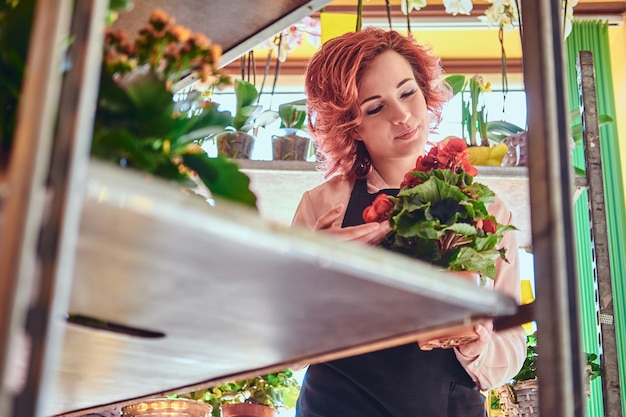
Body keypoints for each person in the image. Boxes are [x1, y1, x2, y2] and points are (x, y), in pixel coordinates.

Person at [291, 28, 526, 417]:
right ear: (351, 126)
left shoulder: (484, 208)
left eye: (406, 92)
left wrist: (474, 342)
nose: (401, 115)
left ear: (424, 91)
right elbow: (288, 350)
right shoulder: (323, 205)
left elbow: (511, 345)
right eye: (374, 107)